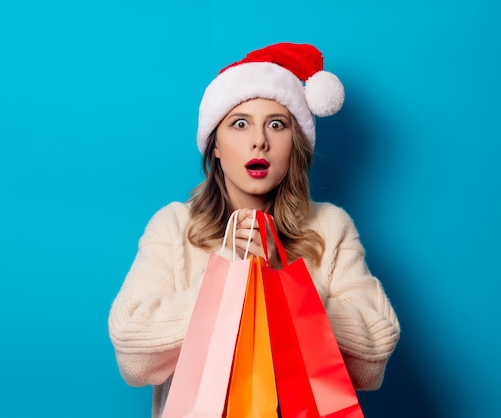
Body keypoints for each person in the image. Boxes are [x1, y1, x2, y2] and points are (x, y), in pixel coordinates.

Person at [108, 42, 400, 417]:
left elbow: (373, 358)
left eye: (276, 125)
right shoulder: (174, 226)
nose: (259, 140)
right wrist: (226, 279)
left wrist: (288, 286)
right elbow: (132, 356)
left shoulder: (330, 226)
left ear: (294, 143)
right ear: (215, 144)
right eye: (240, 123)